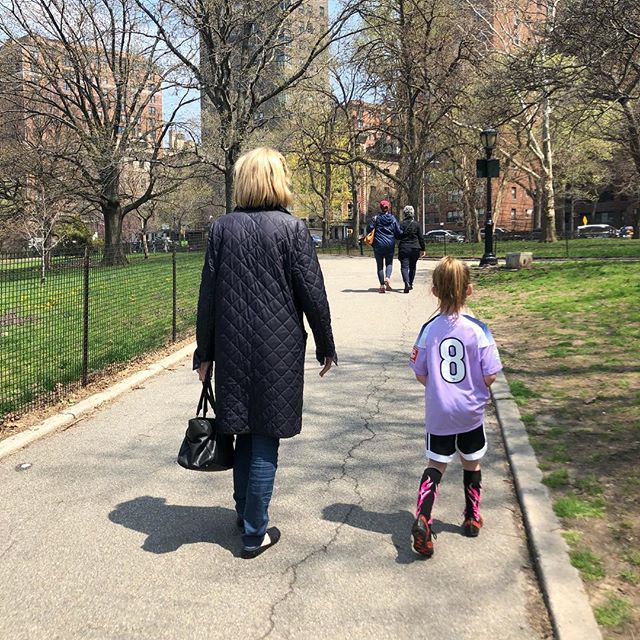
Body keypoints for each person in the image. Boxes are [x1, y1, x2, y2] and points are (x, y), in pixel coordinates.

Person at [194, 147, 337, 559]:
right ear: (279, 181)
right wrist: (326, 344)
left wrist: (204, 352)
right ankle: (254, 532)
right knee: (264, 437)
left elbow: (208, 298)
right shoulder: (293, 230)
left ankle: (244, 514)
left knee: (240, 430)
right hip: (280, 350)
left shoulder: (222, 228)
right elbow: (313, 295)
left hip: (233, 348)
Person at [408, 257, 502, 557]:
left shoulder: (428, 330)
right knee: (471, 462)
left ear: (434, 292)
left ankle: (423, 516)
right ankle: (472, 516)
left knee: (436, 463)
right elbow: (490, 374)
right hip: (470, 411)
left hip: (440, 412)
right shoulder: (479, 330)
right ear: (470, 291)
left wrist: (438, 389)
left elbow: (420, 371)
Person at [366, 200, 402, 293]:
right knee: (389, 263)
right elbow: (398, 232)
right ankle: (387, 278)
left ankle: (382, 286)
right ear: (388, 207)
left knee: (380, 266)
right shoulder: (393, 219)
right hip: (390, 244)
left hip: (378, 244)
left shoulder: (376, 218)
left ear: (380, 208)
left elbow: (368, 229)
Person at [397, 205, 425, 294]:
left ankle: (406, 283)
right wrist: (423, 249)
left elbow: (398, 236)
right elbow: (421, 238)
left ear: (404, 214)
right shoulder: (416, 224)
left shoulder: (400, 224)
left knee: (404, 267)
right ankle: (411, 283)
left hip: (404, 248)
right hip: (415, 248)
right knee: (412, 267)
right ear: (413, 214)